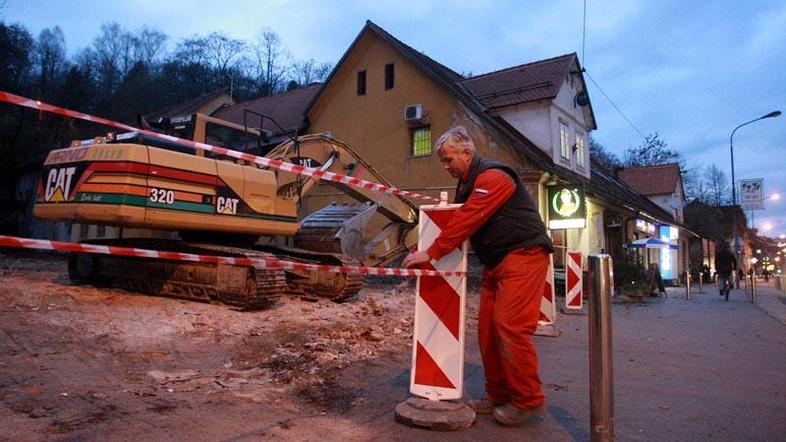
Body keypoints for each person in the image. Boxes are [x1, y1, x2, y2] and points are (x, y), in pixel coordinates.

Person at [402, 126, 554, 426]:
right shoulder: (467, 183)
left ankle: (527, 400)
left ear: (467, 152)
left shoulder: (493, 177)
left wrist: (430, 253)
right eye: (443, 162)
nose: (446, 167)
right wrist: (426, 250)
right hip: (496, 263)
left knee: (508, 327)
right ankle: (498, 395)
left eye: (448, 160)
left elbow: (468, 219)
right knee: (487, 332)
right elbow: (459, 220)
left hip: (522, 256)